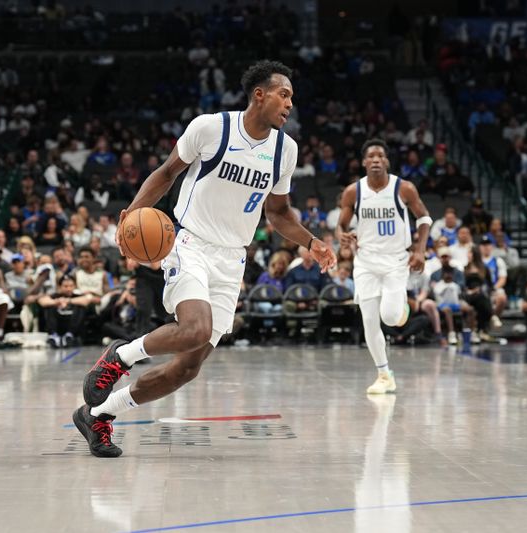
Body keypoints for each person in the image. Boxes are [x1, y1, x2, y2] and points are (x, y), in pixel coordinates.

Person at [74, 60, 336, 458]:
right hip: (190, 243)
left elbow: (278, 213)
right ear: (259, 95)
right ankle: (119, 356)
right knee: (195, 327)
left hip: (232, 259)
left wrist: (311, 241)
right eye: (284, 95)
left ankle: (98, 416)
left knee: (185, 370)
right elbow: (166, 174)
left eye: (292, 98)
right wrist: (131, 214)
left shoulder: (286, 150)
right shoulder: (212, 127)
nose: (289, 104)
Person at [336, 138, 432, 394]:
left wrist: (420, 250)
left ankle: (401, 309)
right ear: (364, 162)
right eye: (371, 156)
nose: (376, 159)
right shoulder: (353, 192)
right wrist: (340, 235)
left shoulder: (404, 188)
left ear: (387, 161)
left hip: (396, 261)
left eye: (381, 155)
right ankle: (384, 374)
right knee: (369, 320)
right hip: (365, 261)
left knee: (390, 317)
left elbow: (424, 218)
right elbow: (341, 225)